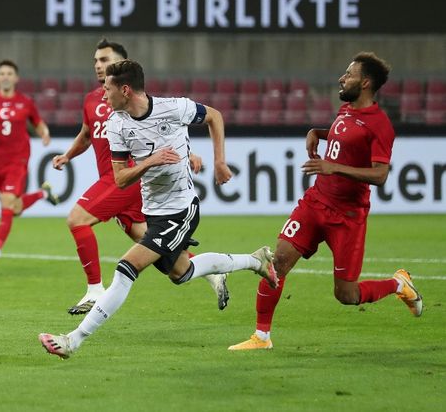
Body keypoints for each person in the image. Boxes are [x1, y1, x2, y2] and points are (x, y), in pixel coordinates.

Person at [39, 60, 277, 359]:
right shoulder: (116, 124)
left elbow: (214, 116)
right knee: (181, 272)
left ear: (125, 90)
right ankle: (255, 261)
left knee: (126, 268)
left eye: (108, 88)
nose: (104, 94)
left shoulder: (174, 108)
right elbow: (121, 179)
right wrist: (150, 161)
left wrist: (219, 161)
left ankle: (72, 340)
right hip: (153, 211)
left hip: (181, 209)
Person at [228, 52, 423, 351]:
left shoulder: (380, 125)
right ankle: (261, 337)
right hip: (315, 202)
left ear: (366, 82)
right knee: (275, 265)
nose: (342, 79)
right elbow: (342, 140)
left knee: (346, 294)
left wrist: (335, 167)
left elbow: (381, 174)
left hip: (347, 216)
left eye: (349, 74)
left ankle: (399, 284)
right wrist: (315, 133)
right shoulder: (346, 110)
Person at [54, 38, 240, 315]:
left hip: (127, 178)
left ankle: (95, 291)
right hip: (119, 180)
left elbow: (157, 133)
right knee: (162, 254)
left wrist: (188, 155)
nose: (98, 65)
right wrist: (68, 155)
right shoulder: (93, 100)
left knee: (77, 219)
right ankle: (213, 273)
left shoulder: (130, 101)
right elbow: (86, 134)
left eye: (104, 60)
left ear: (120, 64)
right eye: (95, 61)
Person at [0, 60, 59, 266]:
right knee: (14, 208)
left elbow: (38, 122)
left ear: (16, 78)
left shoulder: (25, 102)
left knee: (7, 202)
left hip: (18, 159)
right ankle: (43, 193)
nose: (6, 76)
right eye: (2, 73)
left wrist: (45, 134)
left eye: (10, 73)